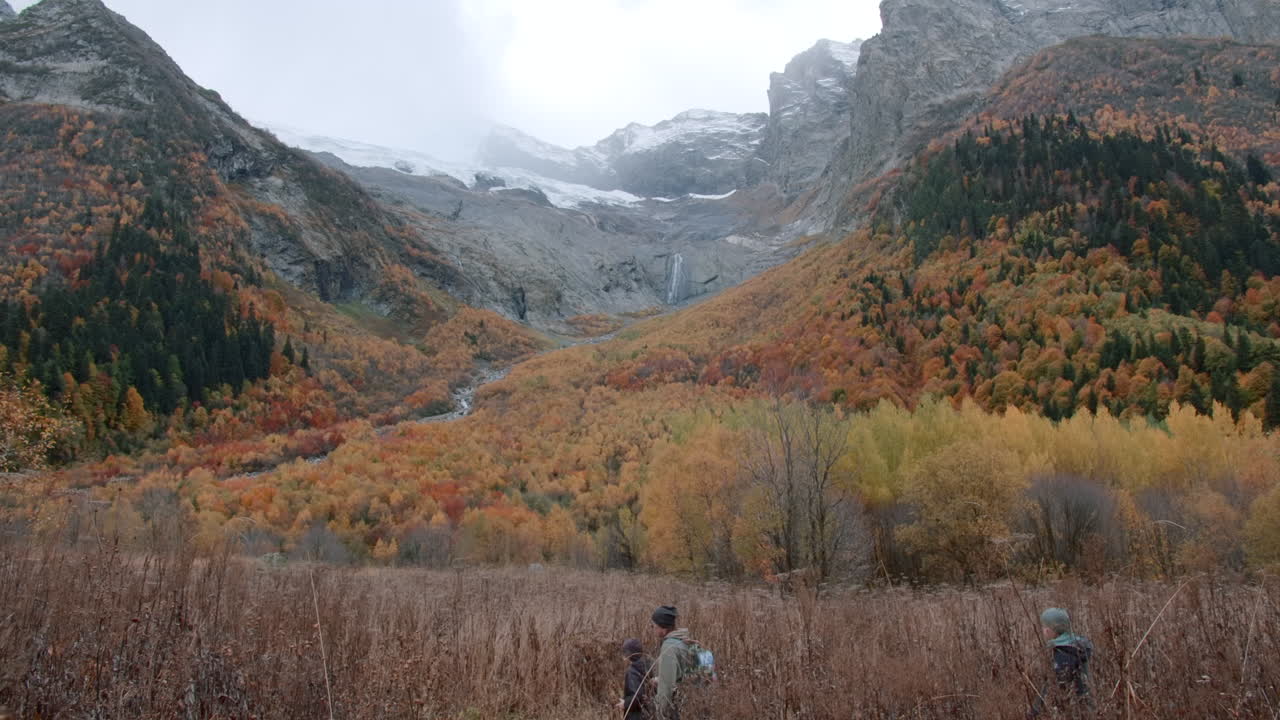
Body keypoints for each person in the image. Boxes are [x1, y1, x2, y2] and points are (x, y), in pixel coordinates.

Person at [1029, 607, 1096, 718]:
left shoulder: (1063, 653)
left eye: (1044, 626)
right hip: (1089, 706)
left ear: (1049, 630)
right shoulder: (1078, 646)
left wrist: (1034, 712)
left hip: (1076, 711)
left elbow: (1056, 686)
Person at [651, 605, 693, 720]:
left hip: (679, 707)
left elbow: (666, 686)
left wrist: (660, 714)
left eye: (654, 626)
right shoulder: (684, 640)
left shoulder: (668, 647)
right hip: (692, 702)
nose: (652, 629)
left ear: (663, 628)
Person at [618, 638, 653, 720]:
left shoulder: (632, 671)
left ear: (629, 654)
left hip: (636, 715)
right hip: (650, 713)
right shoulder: (650, 666)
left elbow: (637, 695)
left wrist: (625, 704)